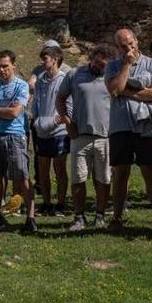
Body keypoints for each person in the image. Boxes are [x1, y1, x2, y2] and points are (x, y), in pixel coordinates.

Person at [105, 29, 152, 236]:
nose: (128, 47)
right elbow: (114, 89)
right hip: (120, 126)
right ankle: (117, 217)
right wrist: (127, 65)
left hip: (146, 127)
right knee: (121, 173)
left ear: (137, 41)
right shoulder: (113, 66)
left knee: (150, 172)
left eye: (130, 43)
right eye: (122, 45)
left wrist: (126, 92)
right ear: (118, 48)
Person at [58, 45, 113, 231]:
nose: (100, 66)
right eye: (98, 61)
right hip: (79, 135)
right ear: (92, 58)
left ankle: (100, 216)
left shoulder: (112, 76)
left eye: (104, 63)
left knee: (103, 179)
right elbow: (60, 98)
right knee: (78, 179)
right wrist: (67, 121)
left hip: (105, 136)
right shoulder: (74, 74)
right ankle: (79, 217)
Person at [0, 50, 32, 233]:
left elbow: (16, 113)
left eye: (5, 66)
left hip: (15, 135)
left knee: (22, 176)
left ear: (13, 66)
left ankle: (30, 217)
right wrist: (2, 111)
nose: (1, 70)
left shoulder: (21, 86)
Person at [31, 45, 70, 216]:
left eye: (45, 58)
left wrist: (57, 119)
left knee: (60, 169)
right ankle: (47, 203)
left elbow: (69, 104)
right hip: (42, 130)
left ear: (55, 59)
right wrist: (37, 120)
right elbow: (37, 103)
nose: (42, 61)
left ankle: (61, 203)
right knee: (43, 169)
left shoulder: (64, 79)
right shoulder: (40, 80)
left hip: (59, 130)